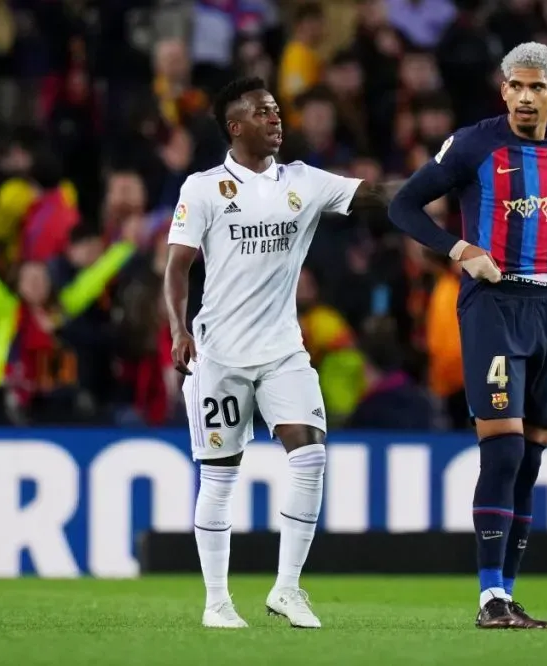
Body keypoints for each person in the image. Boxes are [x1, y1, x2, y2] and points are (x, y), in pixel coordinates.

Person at [388, 42, 547, 629]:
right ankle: (488, 598)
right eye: (517, 86)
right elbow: (404, 206)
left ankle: (506, 595)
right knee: (504, 450)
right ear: (503, 89)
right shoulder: (473, 145)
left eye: (537, 87)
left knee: (531, 458)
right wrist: (460, 250)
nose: (526, 97)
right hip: (492, 303)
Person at [163, 76, 387, 630]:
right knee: (220, 477)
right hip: (219, 354)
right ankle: (217, 602)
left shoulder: (303, 181)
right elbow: (177, 266)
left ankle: (287, 588)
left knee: (310, 456)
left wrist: (440, 175)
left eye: (276, 111)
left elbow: (373, 195)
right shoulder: (204, 188)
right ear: (235, 127)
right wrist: (178, 328)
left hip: (283, 350)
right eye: (263, 112)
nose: (275, 119)